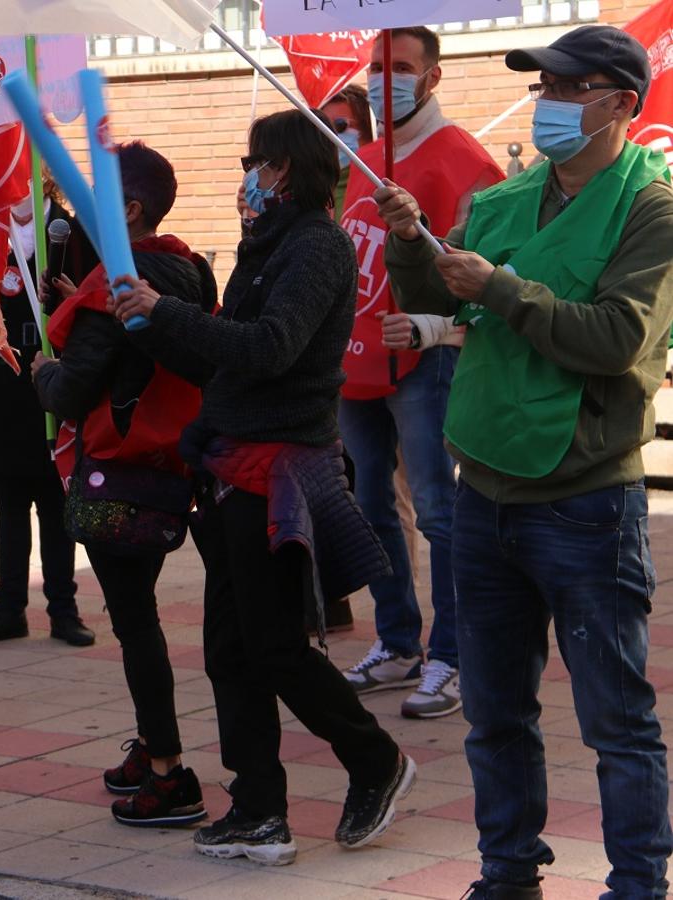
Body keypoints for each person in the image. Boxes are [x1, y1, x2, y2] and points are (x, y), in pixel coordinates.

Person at [377, 24, 673, 899]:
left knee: (616, 720)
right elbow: (431, 291)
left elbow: (621, 338)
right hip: (486, 488)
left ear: (620, 104)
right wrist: (408, 238)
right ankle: (507, 873)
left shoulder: (652, 209)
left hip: (584, 502)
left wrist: (499, 289)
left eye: (569, 88)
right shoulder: (509, 196)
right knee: (495, 714)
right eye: (543, 86)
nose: (548, 103)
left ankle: (636, 885)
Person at [111, 109, 414, 867]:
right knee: (229, 650)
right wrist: (153, 326)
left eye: (253, 160)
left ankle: (375, 760)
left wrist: (166, 309)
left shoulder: (315, 246)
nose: (245, 174)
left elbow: (270, 349)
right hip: (228, 464)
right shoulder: (266, 244)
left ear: (282, 168)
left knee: (276, 648)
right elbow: (225, 358)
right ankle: (257, 809)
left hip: (275, 469)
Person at [33, 141, 217, 827]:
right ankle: (152, 744)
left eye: (91, 197)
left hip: (116, 473)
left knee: (136, 624)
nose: (78, 211)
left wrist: (44, 373)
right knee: (138, 617)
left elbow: (75, 389)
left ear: (127, 208)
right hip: (172, 468)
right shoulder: (190, 268)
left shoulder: (114, 281)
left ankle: (169, 771)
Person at [339, 27, 505, 719]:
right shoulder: (364, 157)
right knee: (371, 505)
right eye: (377, 66)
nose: (386, 79)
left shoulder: (466, 161)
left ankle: (456, 655)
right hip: (356, 361)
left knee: (440, 510)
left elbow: (488, 275)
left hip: (427, 360)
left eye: (402, 67)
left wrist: (437, 329)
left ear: (432, 77)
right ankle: (398, 641)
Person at [0, 176, 98, 648]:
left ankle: (63, 610)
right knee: (8, 506)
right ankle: (8, 607)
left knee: (55, 506)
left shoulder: (70, 230)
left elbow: (91, 303)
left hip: (50, 381)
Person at [322, 83, 373, 220]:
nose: (330, 136)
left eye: (340, 125)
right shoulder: (311, 193)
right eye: (322, 128)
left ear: (369, 129)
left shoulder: (383, 191)